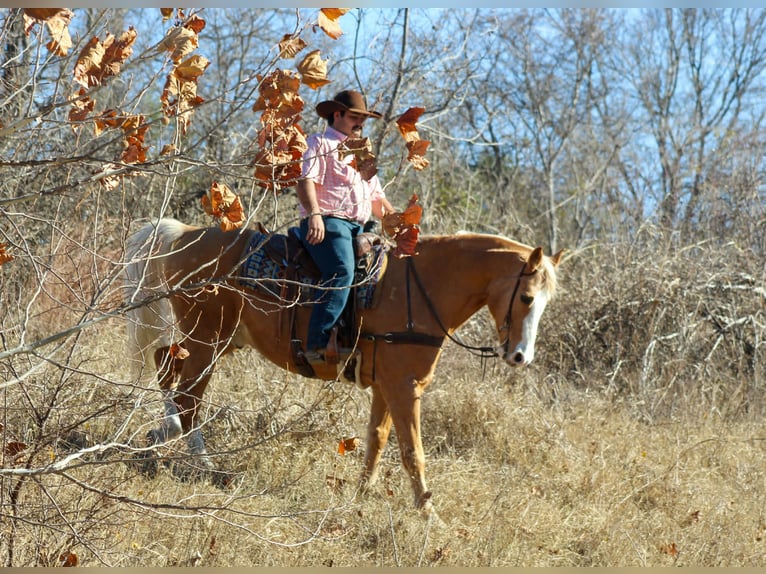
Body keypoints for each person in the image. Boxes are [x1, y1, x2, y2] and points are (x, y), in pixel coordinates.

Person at [296, 89, 396, 363]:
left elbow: (377, 199)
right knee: (341, 270)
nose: (360, 123)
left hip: (360, 226)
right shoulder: (318, 143)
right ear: (336, 114)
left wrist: (398, 221)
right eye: (354, 117)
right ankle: (317, 341)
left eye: (363, 118)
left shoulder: (364, 153)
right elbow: (306, 181)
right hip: (329, 222)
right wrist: (315, 214)